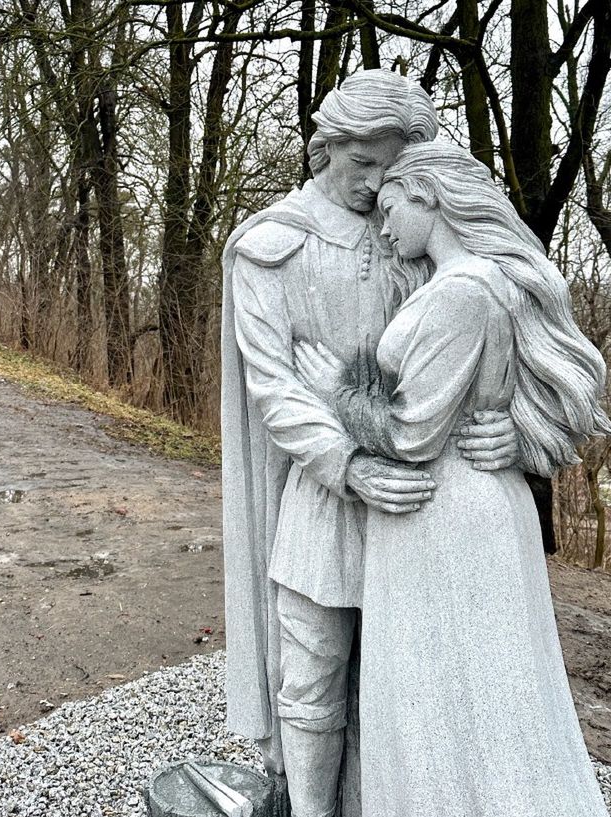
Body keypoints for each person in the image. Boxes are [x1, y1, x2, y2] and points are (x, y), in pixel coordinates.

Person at [220, 70, 519, 817]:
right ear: (329, 147)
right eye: (365, 165)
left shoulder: (419, 232)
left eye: (392, 168)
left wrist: (513, 422)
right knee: (313, 672)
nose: (378, 185)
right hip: (326, 497)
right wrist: (348, 465)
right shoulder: (271, 246)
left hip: (425, 504)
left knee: (414, 679)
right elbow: (275, 387)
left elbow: (506, 328)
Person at [294, 141, 610, 817]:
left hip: (442, 515)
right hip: (472, 505)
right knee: (478, 689)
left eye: (389, 208)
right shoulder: (483, 285)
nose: (382, 227)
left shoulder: (459, 295)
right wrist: (522, 435)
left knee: (443, 694)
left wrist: (337, 389)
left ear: (428, 197)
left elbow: (412, 435)